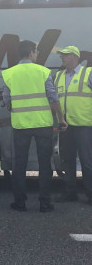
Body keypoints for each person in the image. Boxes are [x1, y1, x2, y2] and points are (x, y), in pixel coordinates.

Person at [2, 40, 67, 213]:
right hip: (42, 124)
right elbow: (53, 98)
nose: (37, 54)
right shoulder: (43, 72)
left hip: (21, 125)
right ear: (31, 52)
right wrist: (61, 118)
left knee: (19, 164)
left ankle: (20, 202)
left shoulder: (9, 73)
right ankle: (45, 203)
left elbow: (7, 101)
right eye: (37, 51)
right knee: (44, 164)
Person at [53, 46, 92, 205]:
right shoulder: (59, 76)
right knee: (67, 160)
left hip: (84, 125)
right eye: (62, 55)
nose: (62, 58)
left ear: (75, 57)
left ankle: (90, 193)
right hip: (65, 126)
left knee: (87, 160)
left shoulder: (88, 73)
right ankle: (70, 192)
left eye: (65, 55)